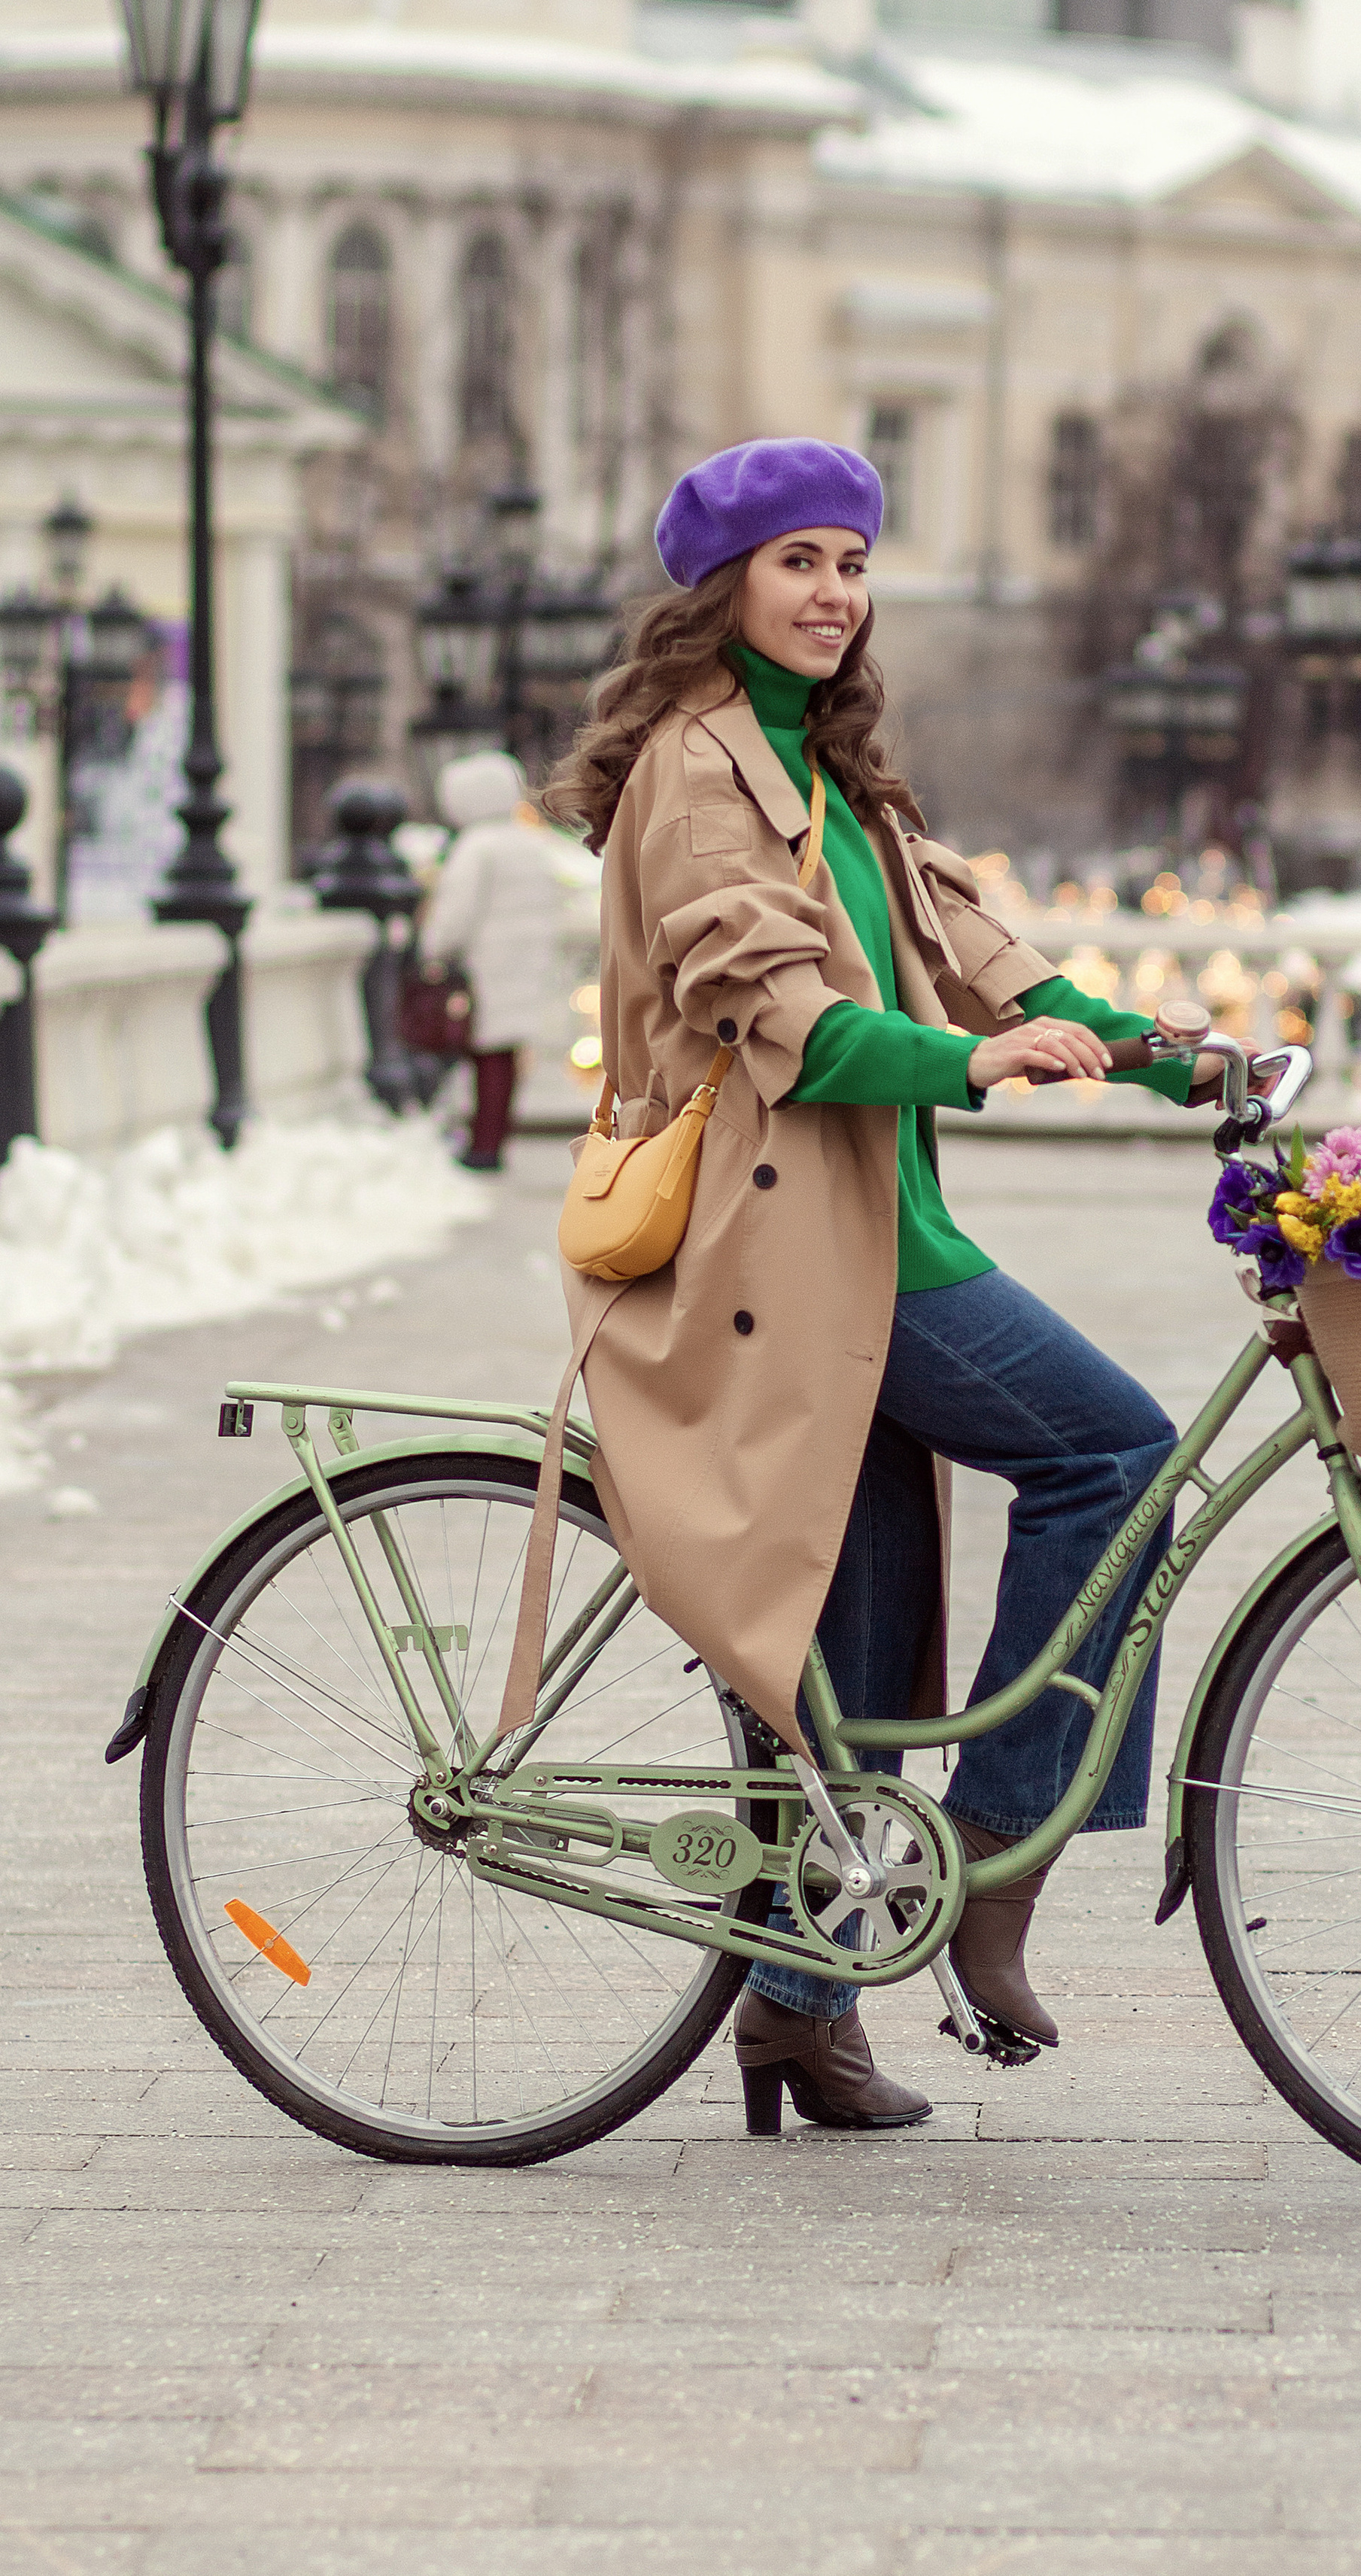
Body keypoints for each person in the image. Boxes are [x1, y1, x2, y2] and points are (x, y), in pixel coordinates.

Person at [543, 439, 1223, 2136]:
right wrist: (961, 1069)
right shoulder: (697, 774)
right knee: (1113, 1454)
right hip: (792, 1260)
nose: (836, 592)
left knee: (854, 1664)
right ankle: (999, 1857)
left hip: (861, 1235)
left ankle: (794, 2009)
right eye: (799, 562)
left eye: (852, 560)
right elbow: (775, 1012)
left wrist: (1159, 1053)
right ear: (724, 591)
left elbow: (986, 959)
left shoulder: (835, 775)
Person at [419, 749, 561, 1172]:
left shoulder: (476, 846)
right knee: (504, 1054)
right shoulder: (529, 841)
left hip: (484, 965)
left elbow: (455, 914)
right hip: (523, 960)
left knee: (483, 1055)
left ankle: (481, 1145)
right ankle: (493, 1138)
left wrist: (433, 950)